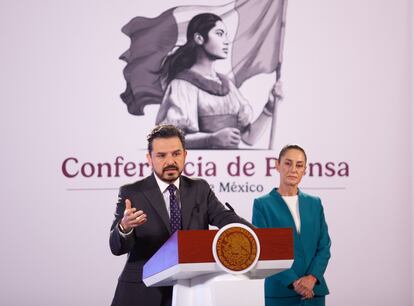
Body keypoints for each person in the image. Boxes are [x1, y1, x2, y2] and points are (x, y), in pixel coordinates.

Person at [109, 124, 252, 306]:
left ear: (185, 155)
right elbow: (116, 247)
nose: (170, 161)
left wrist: (257, 236)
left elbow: (226, 219)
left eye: (176, 154)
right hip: (141, 294)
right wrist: (125, 228)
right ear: (149, 159)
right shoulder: (132, 192)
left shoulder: (200, 189)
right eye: (161, 155)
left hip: (190, 293)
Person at [155, 13, 282, 149]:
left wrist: (269, 108)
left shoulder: (227, 85)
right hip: (199, 167)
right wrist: (210, 139)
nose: (226, 41)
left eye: (226, 35)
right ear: (199, 38)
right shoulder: (182, 85)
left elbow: (249, 138)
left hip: (233, 167)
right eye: (219, 34)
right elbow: (168, 141)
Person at [252, 145, 331, 306]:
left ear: (305, 170)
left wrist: (312, 278)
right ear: (277, 165)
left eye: (299, 165)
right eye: (288, 163)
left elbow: (324, 246)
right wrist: (294, 282)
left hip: (314, 293)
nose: (293, 169)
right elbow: (265, 250)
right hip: (281, 293)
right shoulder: (262, 204)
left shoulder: (315, 203)